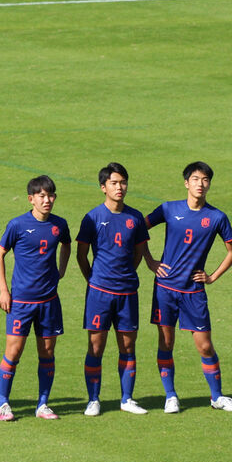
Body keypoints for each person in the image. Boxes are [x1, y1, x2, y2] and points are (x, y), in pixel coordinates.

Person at [145, 162, 232, 413]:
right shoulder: (168, 209)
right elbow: (137, 230)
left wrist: (212, 277)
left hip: (193, 292)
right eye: (196, 179)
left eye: (206, 179)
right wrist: (150, 261)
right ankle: (170, 396)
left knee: (205, 346)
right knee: (166, 342)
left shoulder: (217, 217)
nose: (201, 184)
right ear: (186, 183)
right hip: (165, 288)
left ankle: (217, 397)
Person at [76, 162, 158, 416]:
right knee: (96, 346)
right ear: (103, 187)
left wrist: (127, 274)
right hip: (99, 293)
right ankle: (93, 400)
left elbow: (139, 252)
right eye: (113, 183)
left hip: (127, 293)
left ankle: (127, 399)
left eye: (123, 182)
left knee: (128, 346)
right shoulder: (92, 217)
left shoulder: (135, 217)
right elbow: (81, 255)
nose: (119, 187)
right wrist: (93, 279)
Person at [0, 175, 72, 421]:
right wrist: (4, 290)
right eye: (42, 196)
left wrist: (62, 269)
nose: (47, 200)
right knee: (14, 351)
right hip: (21, 302)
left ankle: (43, 404)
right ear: (31, 199)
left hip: (49, 301)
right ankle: (4, 404)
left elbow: (67, 245)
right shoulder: (17, 225)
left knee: (47, 351)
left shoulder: (59, 225)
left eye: (50, 196)